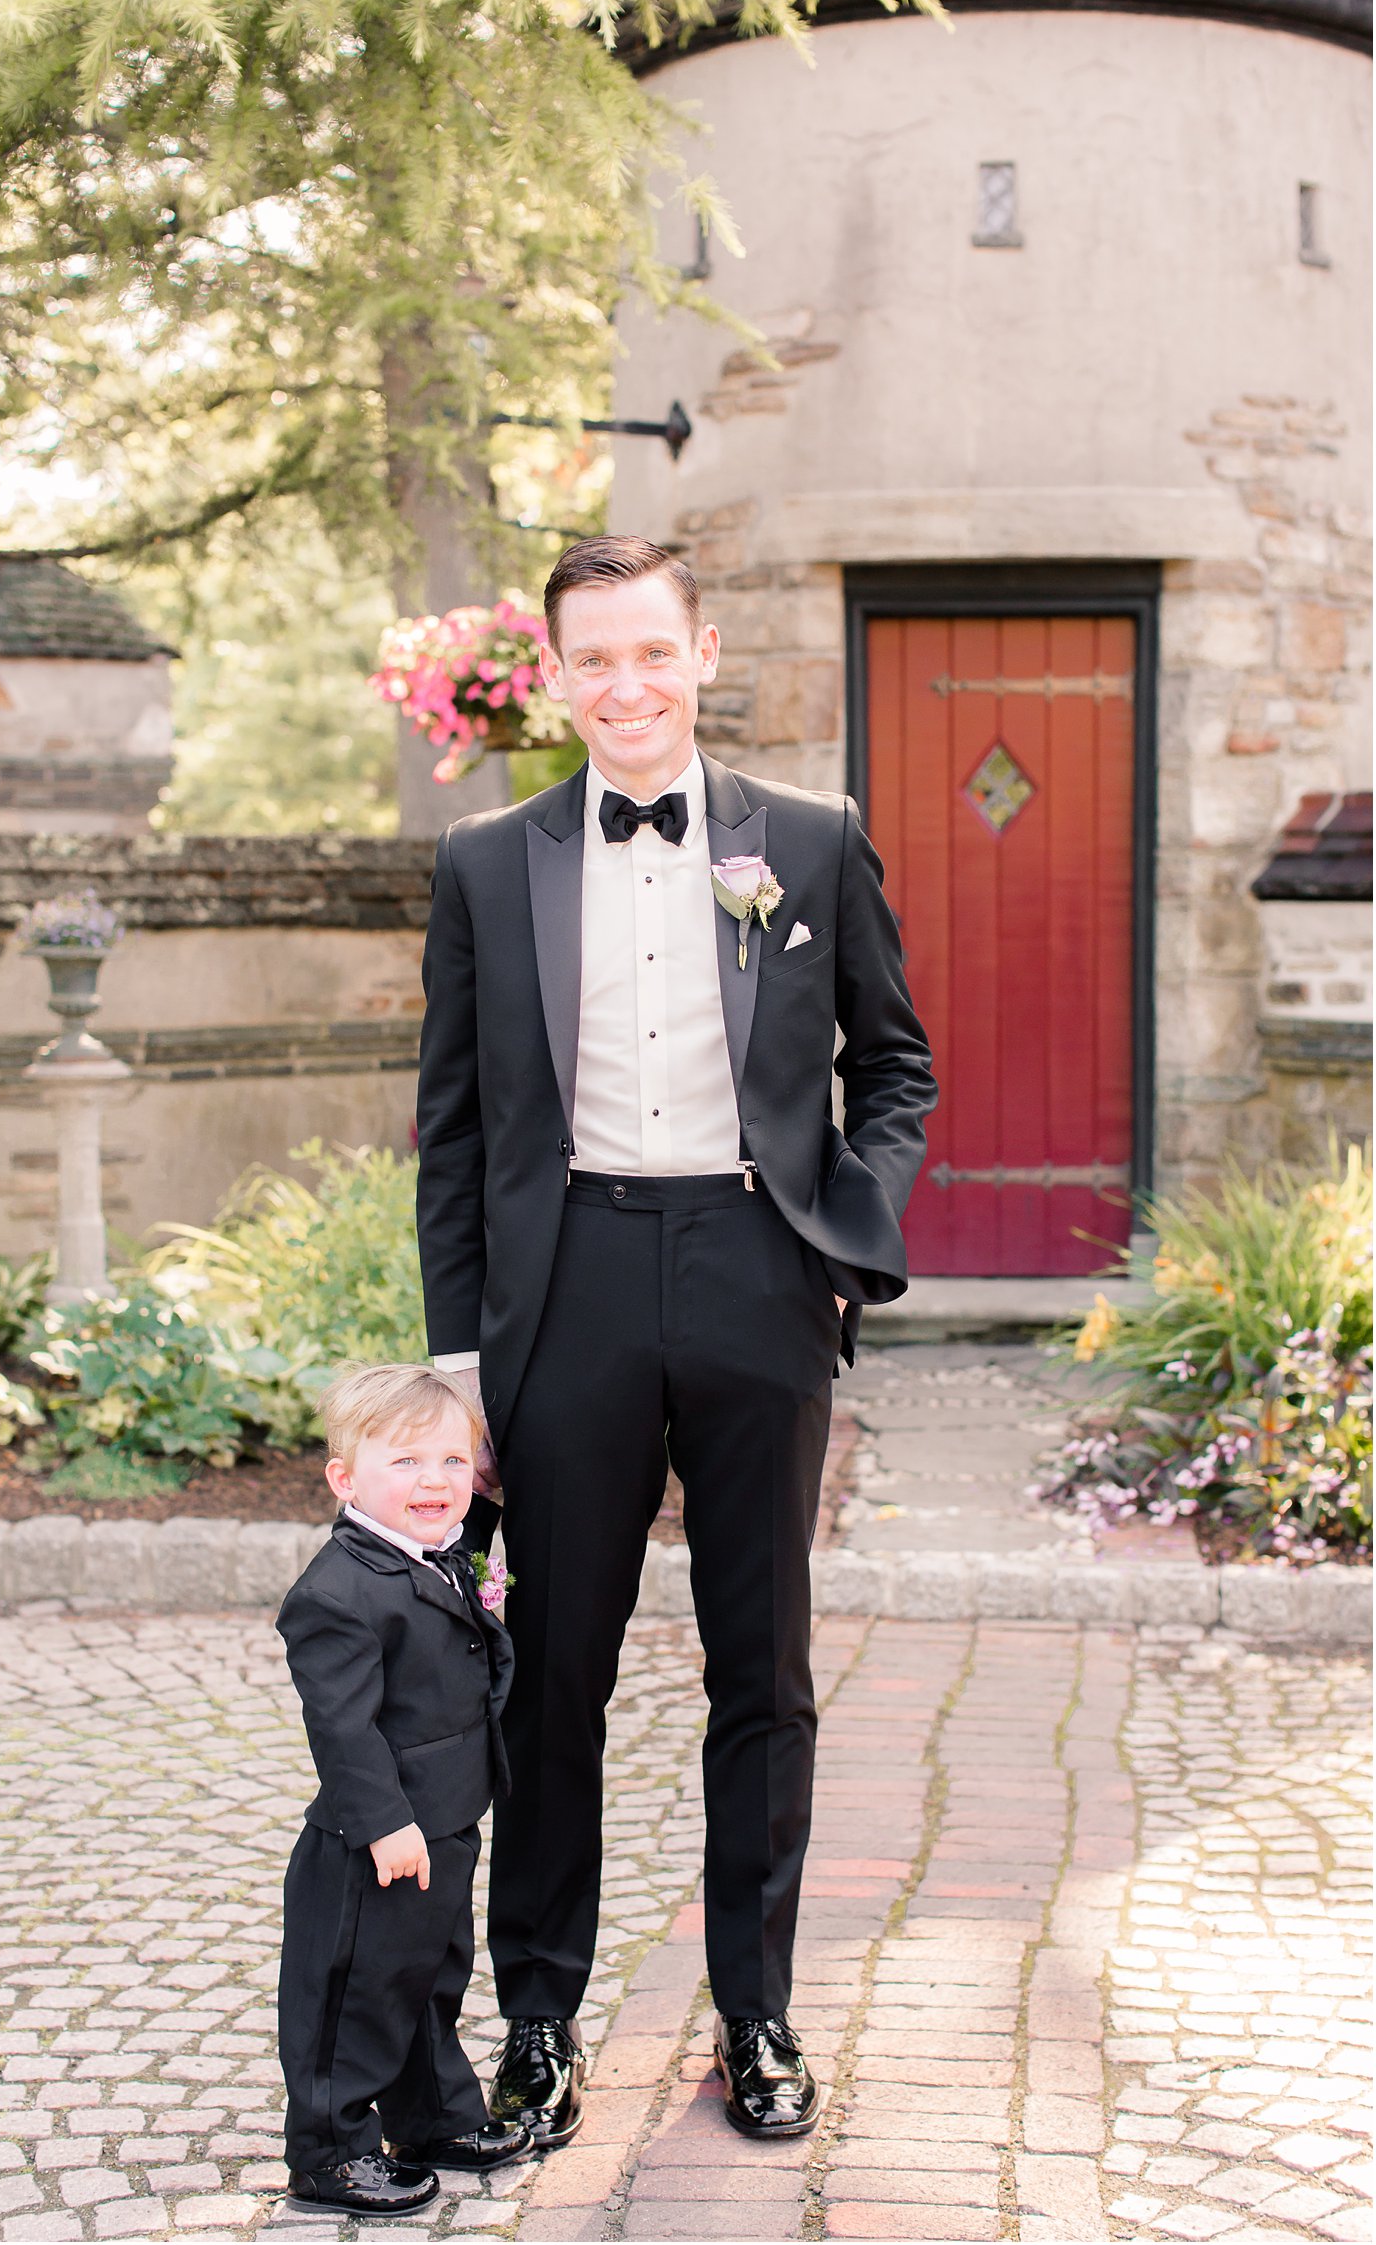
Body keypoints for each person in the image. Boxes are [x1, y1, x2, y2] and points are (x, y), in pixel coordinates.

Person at [415, 534, 937, 2143]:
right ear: (556, 675)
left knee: (760, 1667)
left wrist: (842, 1247)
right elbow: (448, 1135)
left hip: (755, 1274)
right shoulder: (486, 865)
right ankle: (545, 2024)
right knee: (552, 1673)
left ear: (703, 654)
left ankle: (759, 2017)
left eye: (654, 653)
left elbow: (895, 1068)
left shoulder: (814, 842)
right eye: (595, 659)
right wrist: (457, 1366)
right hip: (563, 1292)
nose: (626, 686)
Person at [275, 1362, 531, 2217]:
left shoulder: (442, 1555)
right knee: (357, 1989)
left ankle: (431, 2116)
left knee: (431, 1974)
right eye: (407, 1462)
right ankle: (330, 2150)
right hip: (376, 1839)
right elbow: (343, 1727)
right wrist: (385, 1823)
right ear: (346, 1479)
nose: (435, 1481)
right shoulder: (338, 1592)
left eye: (454, 1462)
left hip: (448, 1819)